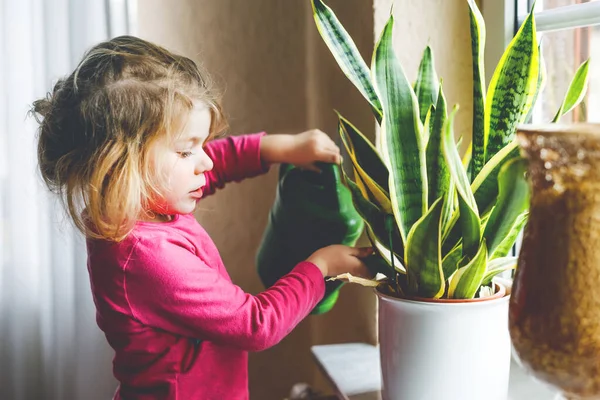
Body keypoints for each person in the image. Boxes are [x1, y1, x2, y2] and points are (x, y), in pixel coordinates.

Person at [31, 35, 372, 400]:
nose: (205, 162)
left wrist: (273, 147)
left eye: (201, 145)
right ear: (122, 166)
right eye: (185, 151)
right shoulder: (147, 259)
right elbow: (255, 324)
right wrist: (320, 266)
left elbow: (214, 163)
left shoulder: (138, 203)